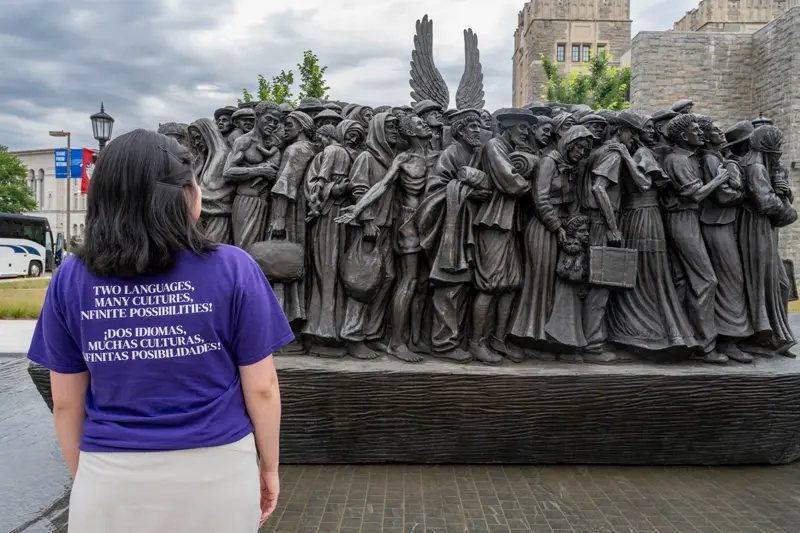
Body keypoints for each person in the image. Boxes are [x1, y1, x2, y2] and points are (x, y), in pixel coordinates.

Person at [27, 129, 292, 533]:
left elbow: (65, 402)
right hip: (217, 471)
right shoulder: (234, 268)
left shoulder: (71, 277)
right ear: (185, 194)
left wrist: (89, 477)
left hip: (110, 474)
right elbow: (262, 388)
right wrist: (269, 467)